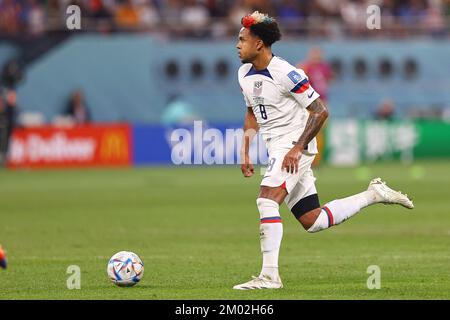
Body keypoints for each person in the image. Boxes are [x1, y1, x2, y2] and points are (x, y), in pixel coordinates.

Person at [234, 11, 414, 290]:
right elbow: (251, 113)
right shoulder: (244, 73)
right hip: (277, 147)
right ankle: (373, 194)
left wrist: (297, 147)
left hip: (294, 145)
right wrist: (245, 150)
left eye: (242, 39)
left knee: (266, 200)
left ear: (258, 43)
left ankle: (269, 276)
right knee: (312, 220)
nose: (237, 45)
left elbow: (320, 111)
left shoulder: (286, 73)